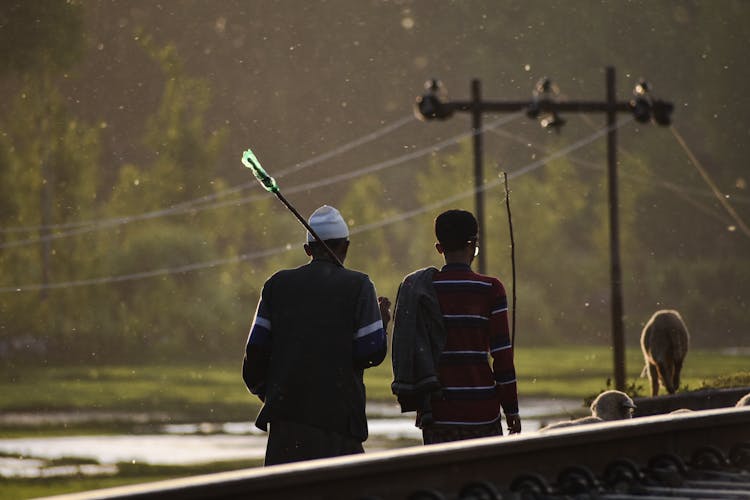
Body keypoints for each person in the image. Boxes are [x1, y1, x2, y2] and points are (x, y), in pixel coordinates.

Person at [242, 205, 390, 466]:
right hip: (340, 425)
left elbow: (253, 359)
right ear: (346, 246)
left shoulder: (276, 285)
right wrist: (382, 322)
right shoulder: (359, 286)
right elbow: (371, 353)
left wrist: (277, 395)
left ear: (308, 250)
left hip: (285, 428)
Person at [391, 209, 520, 444]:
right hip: (483, 414)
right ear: (473, 245)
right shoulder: (491, 289)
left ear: (439, 248)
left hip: (439, 415)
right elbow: (502, 358)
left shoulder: (423, 291)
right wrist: (511, 409)